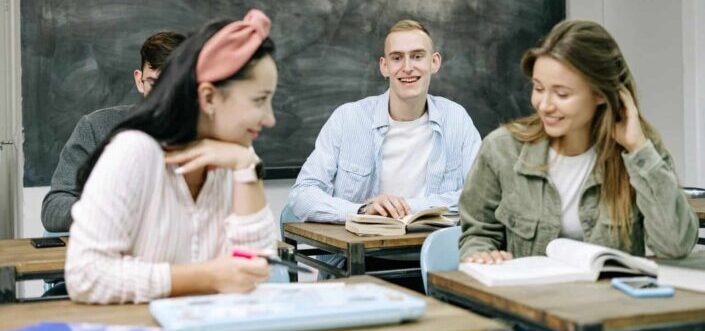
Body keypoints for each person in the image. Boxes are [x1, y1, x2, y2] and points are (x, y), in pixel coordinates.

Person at [65, 10, 279, 303]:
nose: (270, 119)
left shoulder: (238, 156)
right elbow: (85, 275)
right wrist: (209, 276)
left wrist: (246, 168)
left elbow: (255, 272)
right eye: (259, 100)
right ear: (208, 98)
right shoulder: (134, 151)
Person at [458, 20, 699, 264]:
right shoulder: (502, 150)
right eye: (539, 88)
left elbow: (675, 245)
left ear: (600, 94)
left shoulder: (640, 152)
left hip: (611, 300)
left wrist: (638, 148)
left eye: (562, 94)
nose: (545, 105)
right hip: (527, 298)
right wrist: (481, 255)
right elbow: (477, 235)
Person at [287, 19, 481, 223]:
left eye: (417, 56)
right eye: (397, 58)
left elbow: (479, 194)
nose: (407, 67)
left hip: (429, 250)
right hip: (360, 251)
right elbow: (302, 194)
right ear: (384, 66)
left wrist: (406, 207)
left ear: (434, 62)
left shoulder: (457, 119)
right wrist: (362, 211)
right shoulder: (347, 119)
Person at [41, 31, 186, 232]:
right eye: (154, 83)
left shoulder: (207, 133)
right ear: (139, 80)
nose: (163, 96)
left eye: (173, 84)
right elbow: (53, 209)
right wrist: (104, 210)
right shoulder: (95, 128)